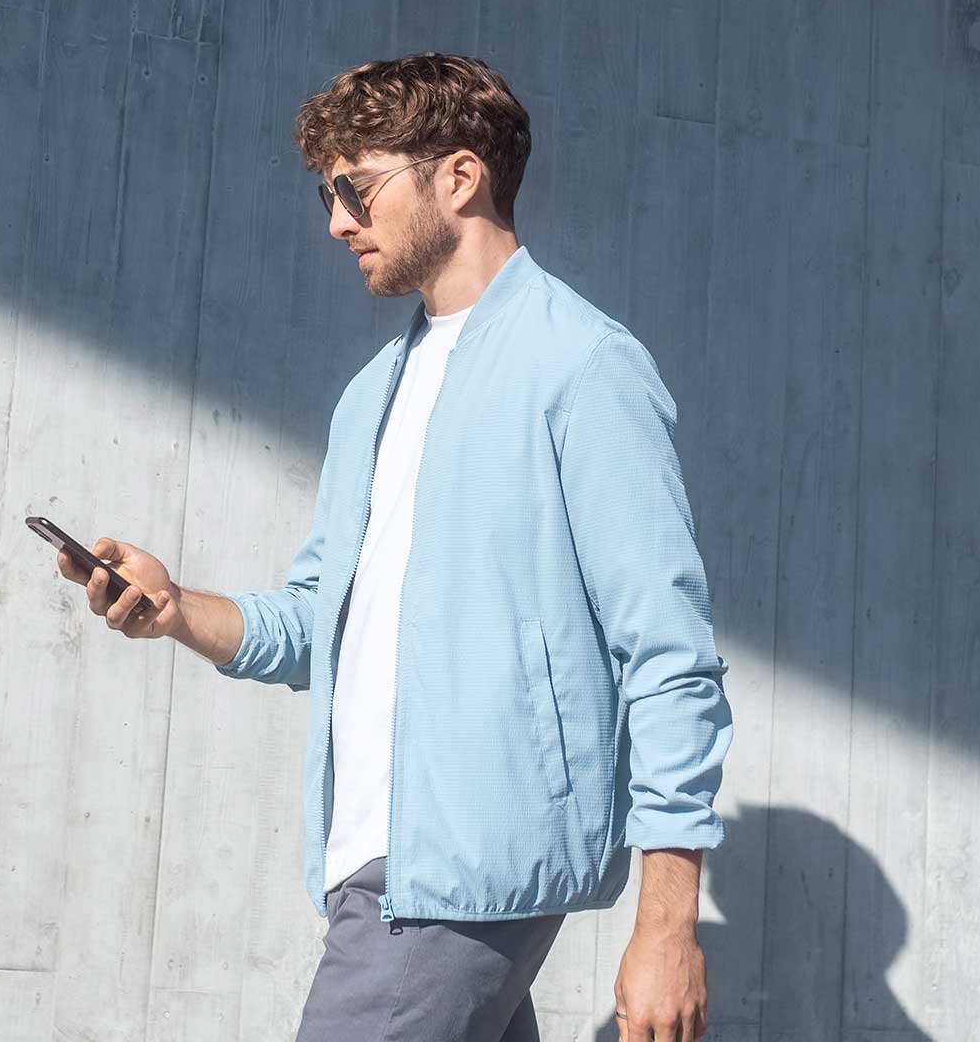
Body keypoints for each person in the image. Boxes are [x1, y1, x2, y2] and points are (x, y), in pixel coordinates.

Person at [56, 52, 732, 1042]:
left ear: (459, 176)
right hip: (373, 856)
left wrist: (667, 926)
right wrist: (174, 608)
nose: (338, 222)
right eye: (330, 195)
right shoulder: (374, 393)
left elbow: (668, 654)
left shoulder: (583, 367)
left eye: (357, 190)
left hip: (459, 873)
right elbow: (317, 622)